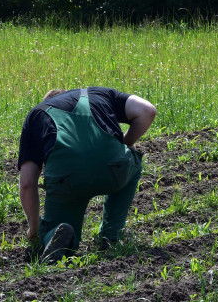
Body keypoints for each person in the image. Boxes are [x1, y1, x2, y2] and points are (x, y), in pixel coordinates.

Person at [18, 87, 157, 262]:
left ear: (46, 101)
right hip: (112, 168)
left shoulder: (36, 115)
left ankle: (59, 236)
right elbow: (148, 111)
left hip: (67, 179)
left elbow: (27, 183)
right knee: (132, 160)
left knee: (56, 230)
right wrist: (125, 143)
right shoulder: (98, 94)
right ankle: (110, 237)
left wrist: (33, 230)